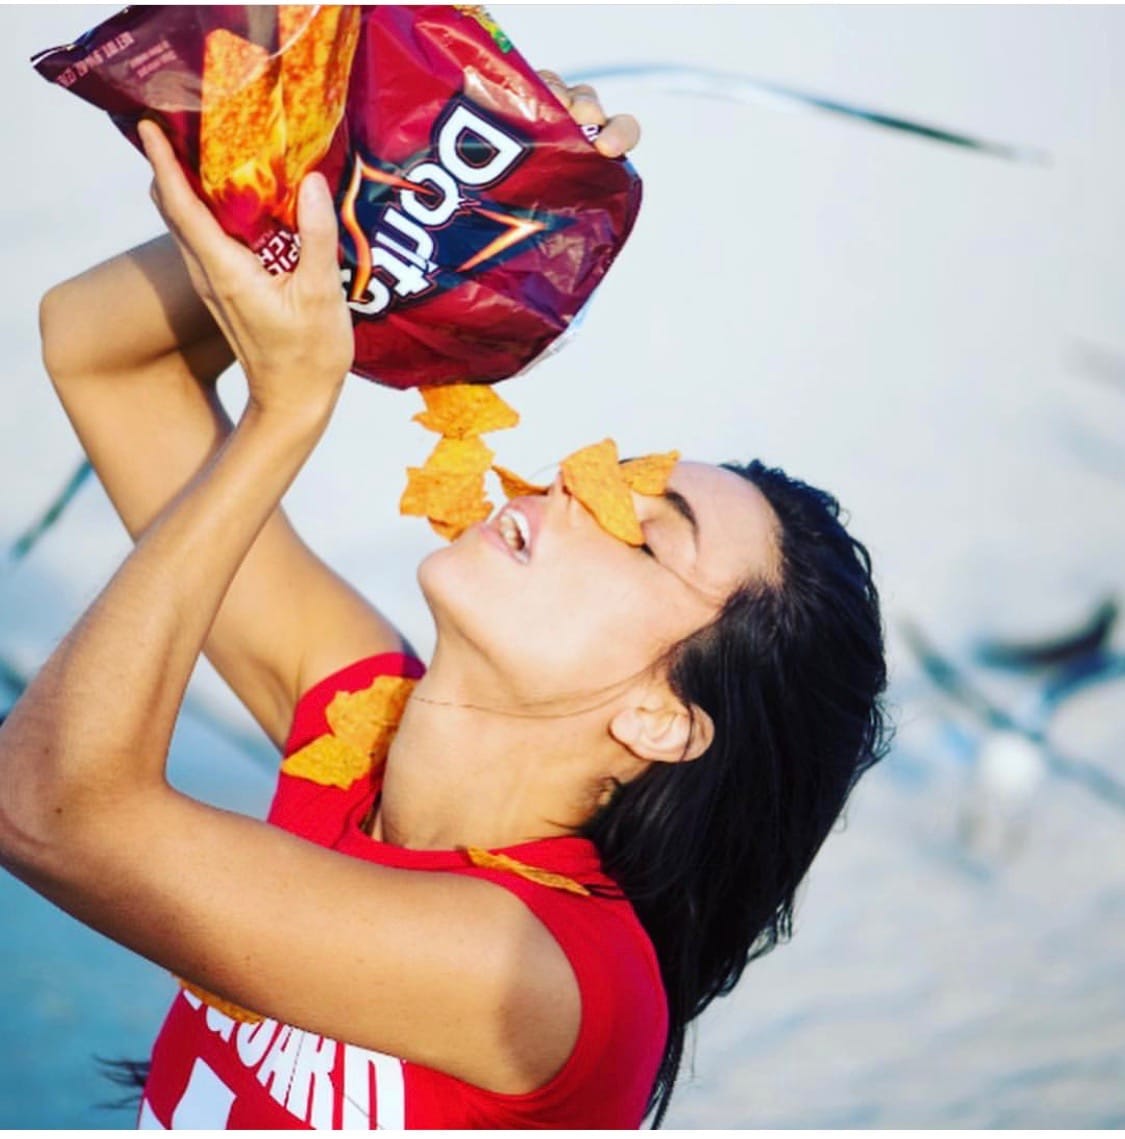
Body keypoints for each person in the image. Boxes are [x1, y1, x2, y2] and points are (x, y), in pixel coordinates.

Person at [0, 76, 890, 1129]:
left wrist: (283, 421)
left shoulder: (548, 972)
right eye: (611, 473)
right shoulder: (358, 723)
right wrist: (400, 210)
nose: (569, 487)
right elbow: (104, 354)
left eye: (646, 535)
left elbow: (48, 807)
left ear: (664, 715)